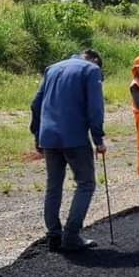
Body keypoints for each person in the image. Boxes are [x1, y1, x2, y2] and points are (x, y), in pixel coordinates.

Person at [30, 49, 107, 252]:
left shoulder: (52, 69)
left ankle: (54, 234)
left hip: (49, 137)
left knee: (53, 185)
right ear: (95, 61)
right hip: (74, 138)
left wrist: (37, 134)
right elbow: (95, 108)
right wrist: (98, 138)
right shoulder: (91, 70)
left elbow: (36, 104)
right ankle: (71, 235)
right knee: (86, 183)